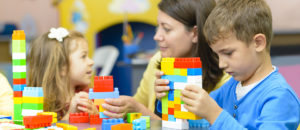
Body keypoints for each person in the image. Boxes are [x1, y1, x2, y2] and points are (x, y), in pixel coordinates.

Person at [179, 0, 300, 129]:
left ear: (258, 43)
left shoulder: (280, 96)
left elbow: (212, 114)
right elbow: (196, 116)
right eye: (217, 55)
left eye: (228, 53)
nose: (221, 64)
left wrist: (214, 114)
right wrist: (171, 95)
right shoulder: (233, 85)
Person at [102, 0, 231, 120]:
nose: (156, 36)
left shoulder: (226, 77)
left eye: (167, 29)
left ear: (195, 33)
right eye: (158, 27)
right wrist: (114, 108)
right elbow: (135, 106)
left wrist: (140, 110)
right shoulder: (158, 60)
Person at [27, 27, 98, 120]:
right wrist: (70, 115)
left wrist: (95, 114)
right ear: (62, 67)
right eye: (83, 56)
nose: (91, 62)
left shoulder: (88, 95)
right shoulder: (39, 103)